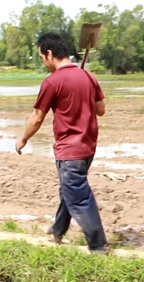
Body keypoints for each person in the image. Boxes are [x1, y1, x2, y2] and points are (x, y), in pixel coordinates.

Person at [15, 32, 109, 254]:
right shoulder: (88, 77)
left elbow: (37, 117)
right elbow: (101, 110)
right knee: (69, 189)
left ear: (49, 54)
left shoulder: (52, 82)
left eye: (41, 57)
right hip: (88, 148)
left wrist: (23, 139)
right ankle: (58, 229)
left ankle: (98, 246)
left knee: (79, 196)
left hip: (70, 150)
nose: (43, 62)